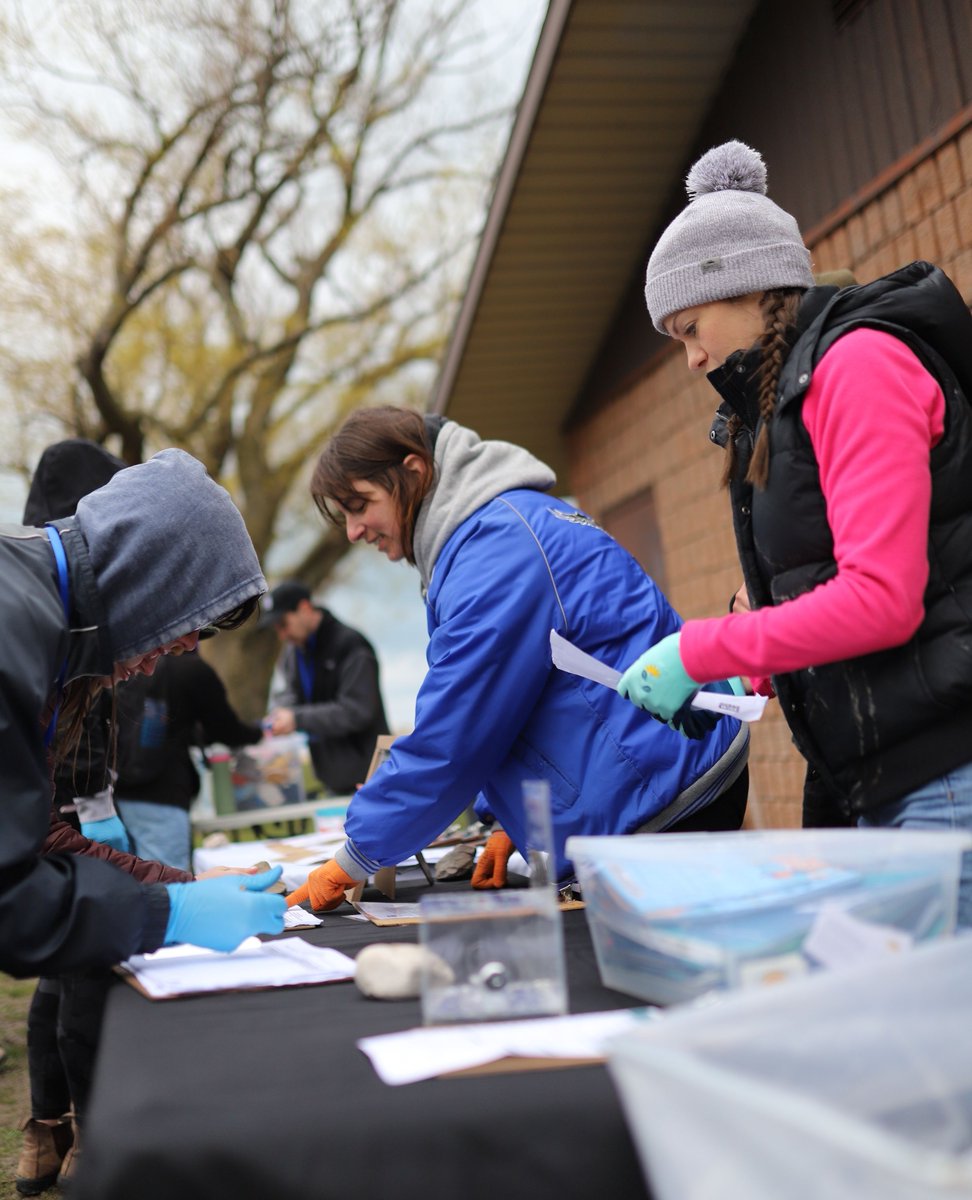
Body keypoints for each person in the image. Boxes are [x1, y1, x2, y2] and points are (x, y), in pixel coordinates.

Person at [615, 139, 972, 925]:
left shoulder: (859, 368)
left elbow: (884, 601)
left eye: (690, 326)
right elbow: (825, 571)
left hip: (948, 768)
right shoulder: (777, 401)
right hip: (881, 773)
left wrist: (701, 649)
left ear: (747, 288)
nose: (692, 357)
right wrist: (764, 661)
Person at [285, 406, 750, 912]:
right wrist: (509, 816)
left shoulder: (497, 551)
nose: (353, 531)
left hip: (657, 799)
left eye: (360, 505)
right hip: (653, 783)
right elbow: (527, 698)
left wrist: (356, 856)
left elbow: (455, 732)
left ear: (414, 472)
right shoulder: (498, 529)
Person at [0, 446, 287, 984]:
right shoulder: (16, 633)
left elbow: (36, 840)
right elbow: (11, 898)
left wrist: (176, 887)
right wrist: (169, 911)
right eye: (185, 627)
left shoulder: (42, 616)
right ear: (153, 580)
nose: (173, 654)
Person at [113, 649, 264, 869]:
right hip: (162, 793)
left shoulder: (129, 664)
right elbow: (225, 729)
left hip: (117, 791)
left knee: (134, 880)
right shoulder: (190, 669)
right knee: (169, 882)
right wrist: (260, 732)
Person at [262, 580, 389, 793]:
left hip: (371, 779)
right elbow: (289, 695)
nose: (282, 635)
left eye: (284, 624)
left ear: (304, 608)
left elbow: (357, 710)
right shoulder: (293, 653)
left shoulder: (351, 644)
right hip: (331, 780)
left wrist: (296, 718)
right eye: (277, 629)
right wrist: (280, 714)